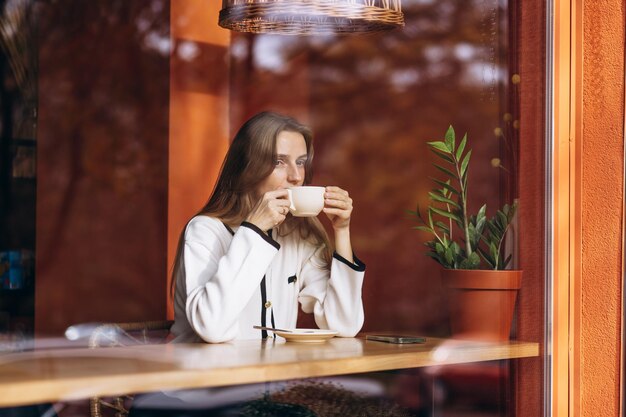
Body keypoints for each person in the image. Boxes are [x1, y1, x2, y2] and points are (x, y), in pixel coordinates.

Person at [169, 111, 365, 343]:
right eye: (278, 161)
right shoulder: (205, 231)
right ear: (248, 167)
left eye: (300, 162)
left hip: (274, 378)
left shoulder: (299, 236)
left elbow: (344, 325)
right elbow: (212, 327)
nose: (295, 176)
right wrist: (254, 228)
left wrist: (342, 231)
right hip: (206, 377)